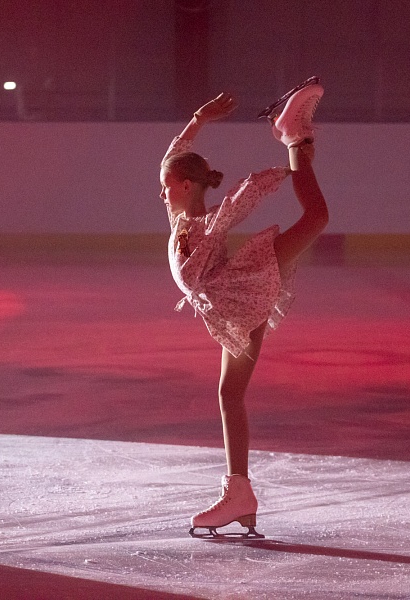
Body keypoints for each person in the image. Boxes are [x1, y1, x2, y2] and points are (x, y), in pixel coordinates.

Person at [159, 80, 328, 537]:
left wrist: (288, 167)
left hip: (243, 290)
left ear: (187, 185)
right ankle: (240, 495)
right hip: (232, 305)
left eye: (167, 187)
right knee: (229, 395)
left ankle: (294, 136)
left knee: (317, 218)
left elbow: (239, 200)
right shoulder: (181, 221)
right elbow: (171, 158)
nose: (161, 193)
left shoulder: (203, 225)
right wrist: (198, 119)